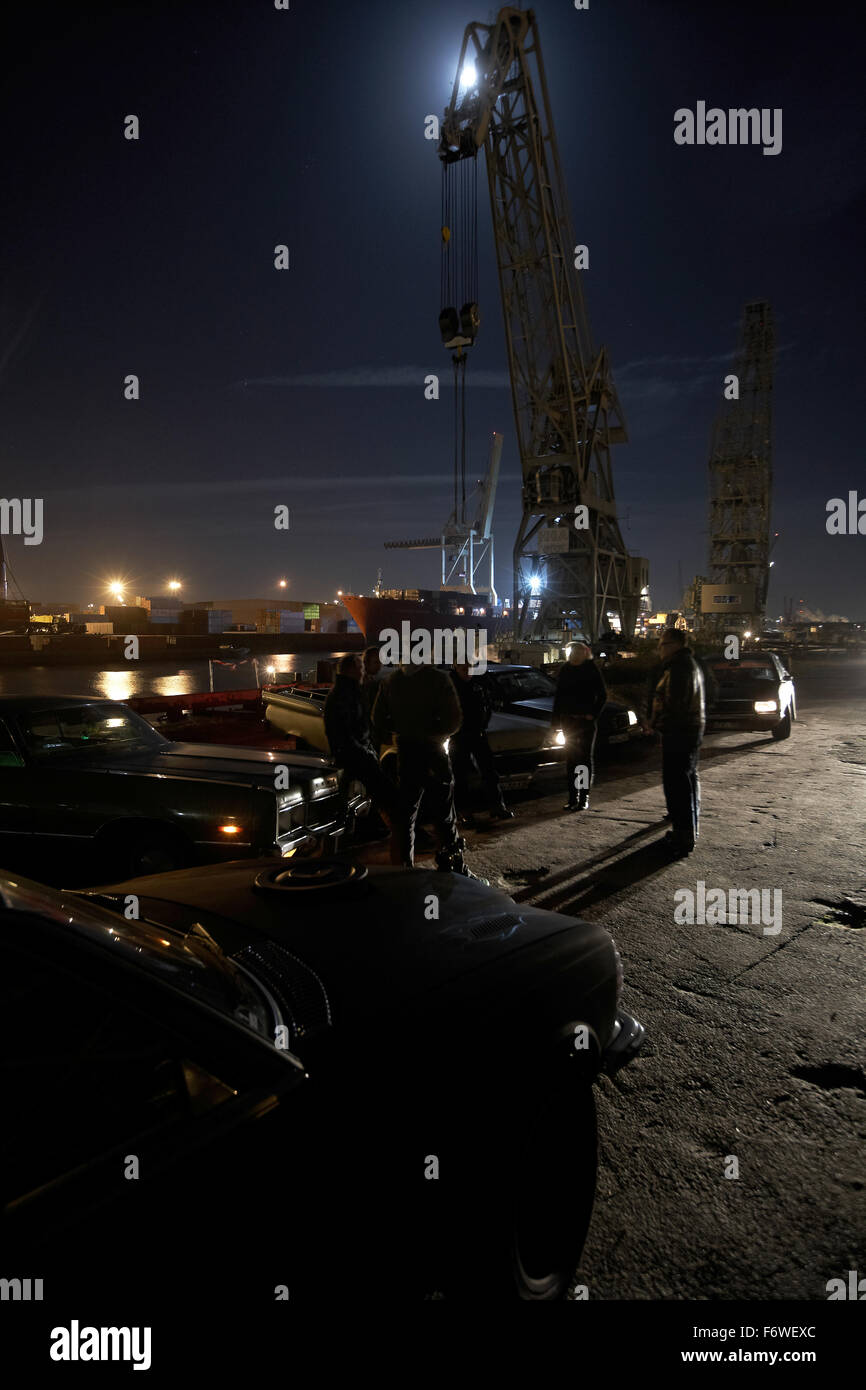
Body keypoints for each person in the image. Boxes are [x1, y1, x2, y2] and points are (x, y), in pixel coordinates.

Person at [372, 658, 481, 876]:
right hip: (433, 752)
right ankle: (453, 868)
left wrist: (401, 730)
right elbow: (454, 720)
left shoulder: (391, 681)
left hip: (406, 752)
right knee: (444, 813)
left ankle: (403, 869)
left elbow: (378, 719)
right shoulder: (439, 679)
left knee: (406, 814)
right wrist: (436, 733)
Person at [323, 653, 397, 841]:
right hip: (352, 754)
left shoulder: (348, 692)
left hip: (354, 752)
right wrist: (365, 751)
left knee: (370, 789)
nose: (363, 670)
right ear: (350, 670)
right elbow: (346, 732)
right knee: (384, 788)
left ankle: (367, 827)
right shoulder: (345, 695)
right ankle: (401, 829)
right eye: (360, 667)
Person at [650, 629, 705, 857]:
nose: (659, 649)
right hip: (687, 730)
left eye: (662, 644)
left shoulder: (680, 668)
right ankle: (686, 832)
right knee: (685, 780)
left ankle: (683, 837)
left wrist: (664, 727)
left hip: (679, 733)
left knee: (677, 784)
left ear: (673, 645)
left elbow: (676, 705)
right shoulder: (686, 664)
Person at [449, 664, 513, 823]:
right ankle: (464, 811)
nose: (467, 671)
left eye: (469, 667)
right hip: (459, 735)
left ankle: (497, 806)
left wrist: (484, 722)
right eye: (463, 668)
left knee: (489, 771)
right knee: (460, 775)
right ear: (456, 668)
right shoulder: (450, 685)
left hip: (478, 733)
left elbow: (489, 700)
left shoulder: (478, 682)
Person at [553, 639, 607, 810]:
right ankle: (572, 797)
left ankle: (583, 797)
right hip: (568, 720)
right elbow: (559, 697)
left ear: (585, 653)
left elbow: (602, 695)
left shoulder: (591, 669)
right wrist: (555, 721)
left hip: (584, 721)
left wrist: (593, 714)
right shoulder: (565, 670)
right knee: (570, 760)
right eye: (573, 653)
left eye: (578, 653)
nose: (575, 656)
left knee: (583, 760)